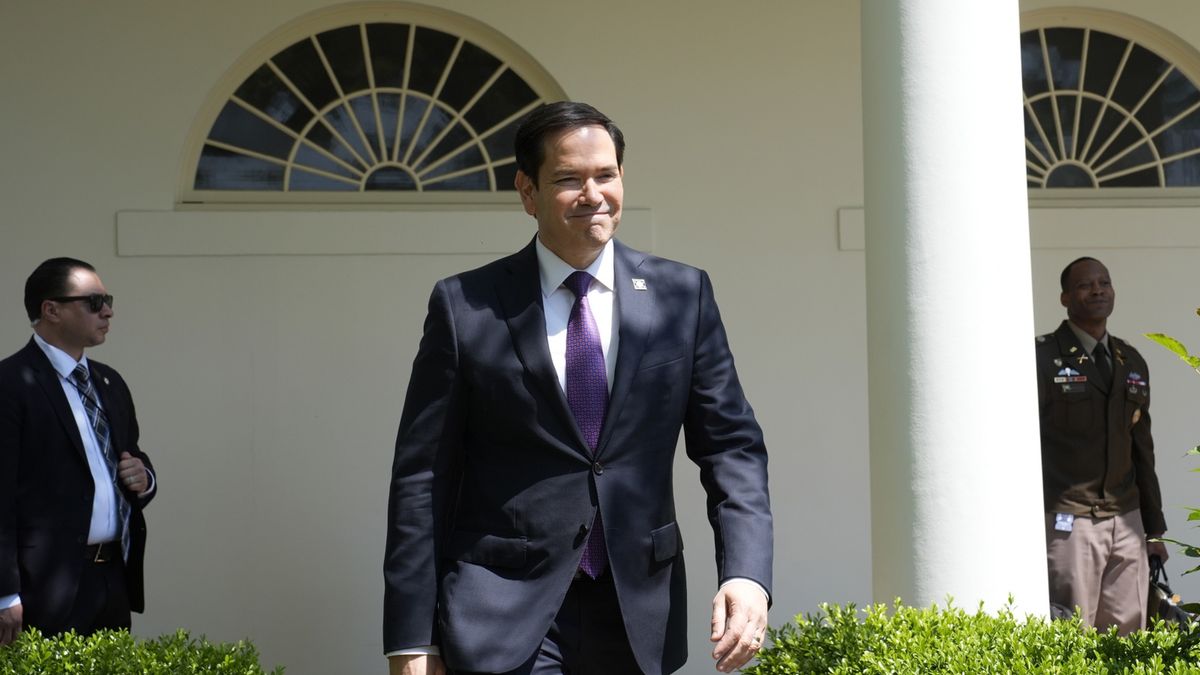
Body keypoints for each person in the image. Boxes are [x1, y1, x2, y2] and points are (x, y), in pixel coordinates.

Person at [383, 102, 773, 675]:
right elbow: (423, 476)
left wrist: (745, 573)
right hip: (501, 610)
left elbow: (730, 446)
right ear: (527, 191)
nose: (592, 194)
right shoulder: (465, 305)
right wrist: (413, 638)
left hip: (639, 610)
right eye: (568, 179)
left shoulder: (682, 295)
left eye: (605, 175)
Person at [0, 258, 156, 646]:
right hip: (44, 589)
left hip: (112, 578)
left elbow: (129, 457)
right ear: (50, 310)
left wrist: (144, 477)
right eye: (93, 301)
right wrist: (5, 593)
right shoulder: (10, 384)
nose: (108, 310)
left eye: (107, 299)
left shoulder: (110, 382)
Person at [1037, 256, 1168, 634]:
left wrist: (1154, 529)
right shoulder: (1042, 357)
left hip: (1127, 520)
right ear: (1064, 297)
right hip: (1069, 519)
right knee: (1070, 636)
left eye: (1104, 283)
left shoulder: (1132, 361)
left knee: (1128, 638)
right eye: (1085, 284)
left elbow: (1143, 451)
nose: (1097, 290)